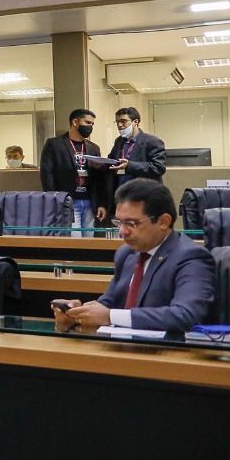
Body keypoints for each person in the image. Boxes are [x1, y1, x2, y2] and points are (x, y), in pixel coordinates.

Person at [53, 180, 213, 333]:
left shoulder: (191, 257)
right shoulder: (126, 253)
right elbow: (108, 303)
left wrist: (110, 316)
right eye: (119, 222)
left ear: (163, 221)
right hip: (122, 346)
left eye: (132, 223)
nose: (122, 231)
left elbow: (186, 316)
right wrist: (79, 313)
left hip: (169, 349)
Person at [39, 108, 108, 235]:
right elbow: (47, 174)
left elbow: (99, 179)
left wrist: (101, 203)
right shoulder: (54, 144)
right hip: (68, 201)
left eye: (92, 124)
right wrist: (54, 199)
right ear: (75, 122)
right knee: (74, 240)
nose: (90, 127)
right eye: (87, 122)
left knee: (89, 241)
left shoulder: (93, 148)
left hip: (89, 202)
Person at [108, 107, 166, 187]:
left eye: (123, 121)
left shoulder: (153, 141)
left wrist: (129, 165)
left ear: (135, 122)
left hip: (143, 190)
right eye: (117, 122)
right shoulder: (119, 141)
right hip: (121, 189)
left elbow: (158, 168)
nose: (119, 125)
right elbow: (111, 159)